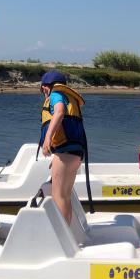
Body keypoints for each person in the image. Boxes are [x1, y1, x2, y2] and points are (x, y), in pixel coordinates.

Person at [39, 70, 88, 224]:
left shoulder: (55, 95)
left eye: (42, 89)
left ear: (47, 86)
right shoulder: (67, 96)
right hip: (75, 152)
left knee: (58, 196)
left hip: (65, 151)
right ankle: (67, 234)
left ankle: (62, 238)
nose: (43, 92)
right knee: (64, 197)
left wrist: (47, 139)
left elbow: (59, 112)